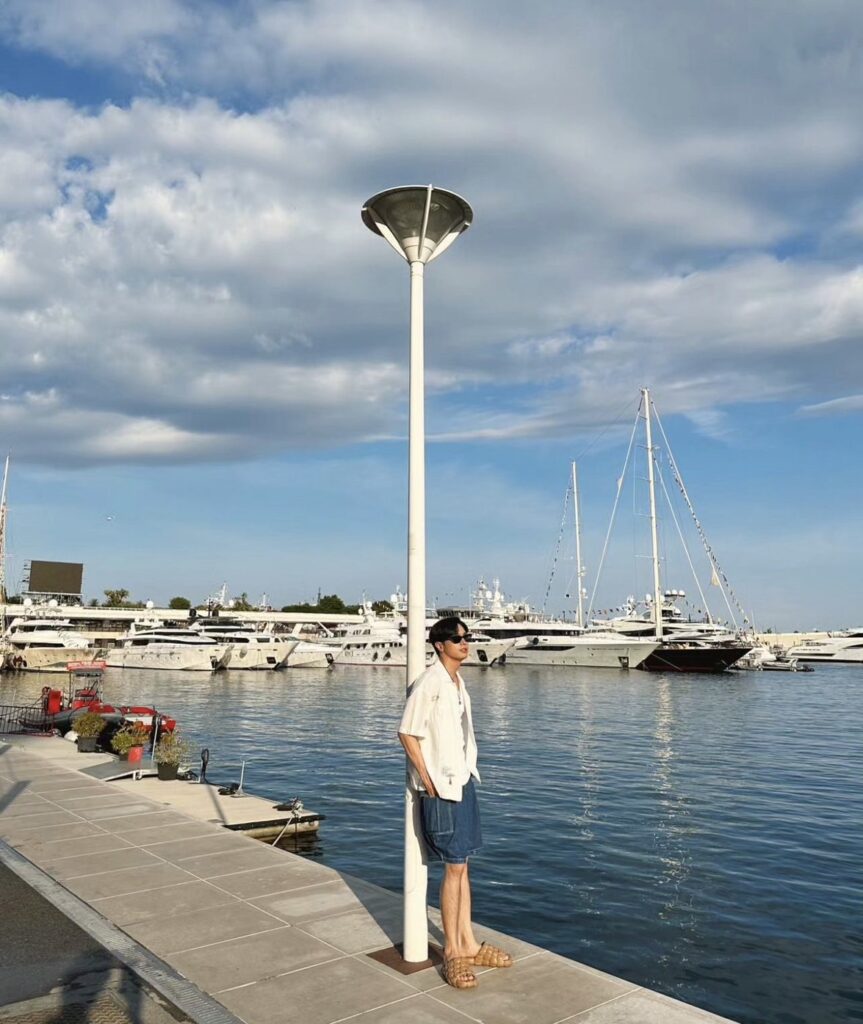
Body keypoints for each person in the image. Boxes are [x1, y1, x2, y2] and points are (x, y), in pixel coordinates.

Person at [398, 616, 513, 989]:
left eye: (467, 637)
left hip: (462, 781)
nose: (465, 642)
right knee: (453, 868)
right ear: (439, 645)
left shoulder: (457, 683)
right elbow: (407, 732)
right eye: (457, 638)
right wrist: (427, 780)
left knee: (463, 866)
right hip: (442, 789)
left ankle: (468, 942)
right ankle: (452, 951)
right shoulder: (430, 683)